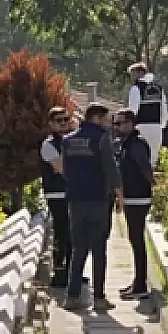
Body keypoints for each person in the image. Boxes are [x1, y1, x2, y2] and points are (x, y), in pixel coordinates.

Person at [60, 103, 123, 311]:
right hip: (97, 200)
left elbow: (66, 170)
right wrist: (119, 194)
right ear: (96, 118)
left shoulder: (68, 141)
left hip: (75, 200)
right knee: (99, 249)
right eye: (106, 119)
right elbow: (110, 167)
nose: (108, 123)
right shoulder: (101, 138)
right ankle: (98, 298)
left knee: (78, 248)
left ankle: (72, 296)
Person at [113, 110, 155, 301]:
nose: (117, 127)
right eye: (116, 123)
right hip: (131, 198)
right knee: (134, 240)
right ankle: (137, 281)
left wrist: (155, 188)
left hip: (138, 198)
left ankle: (140, 286)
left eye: (120, 123)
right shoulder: (127, 144)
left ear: (130, 124)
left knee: (137, 241)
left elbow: (145, 169)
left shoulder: (136, 144)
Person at [40, 106, 74, 288]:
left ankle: (72, 270)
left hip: (71, 192)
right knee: (62, 233)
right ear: (51, 124)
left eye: (65, 120)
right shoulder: (48, 144)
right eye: (59, 121)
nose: (63, 124)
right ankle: (60, 273)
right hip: (56, 193)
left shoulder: (70, 141)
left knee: (73, 234)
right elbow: (62, 168)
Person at [125, 62, 168, 168]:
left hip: (141, 128)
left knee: (140, 160)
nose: (132, 77)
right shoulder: (159, 88)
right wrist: (161, 126)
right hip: (157, 128)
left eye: (133, 73)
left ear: (140, 73)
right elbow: (164, 109)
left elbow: (132, 111)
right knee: (153, 160)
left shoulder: (136, 88)